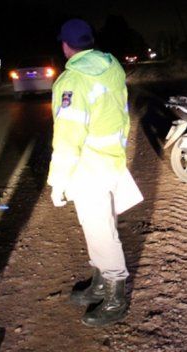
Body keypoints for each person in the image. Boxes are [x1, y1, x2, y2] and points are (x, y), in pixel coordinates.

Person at [48, 18, 138, 327]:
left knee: (101, 232)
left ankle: (116, 298)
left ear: (65, 46)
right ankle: (101, 283)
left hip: (89, 169)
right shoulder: (112, 67)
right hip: (111, 160)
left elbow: (67, 137)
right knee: (97, 227)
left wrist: (58, 181)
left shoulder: (73, 81)